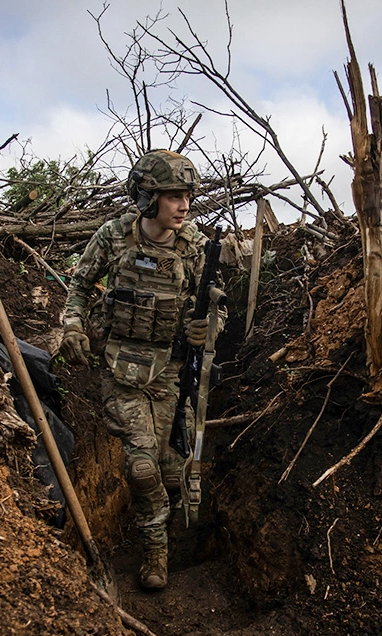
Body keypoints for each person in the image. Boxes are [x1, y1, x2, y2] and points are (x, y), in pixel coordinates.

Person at [59, 149, 218, 590]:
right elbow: (79, 284)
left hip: (169, 368)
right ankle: (155, 551)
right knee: (142, 467)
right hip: (121, 366)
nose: (184, 205)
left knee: (169, 466)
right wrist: (72, 327)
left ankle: (169, 530)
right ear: (148, 197)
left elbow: (212, 307)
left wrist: (206, 329)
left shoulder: (198, 247)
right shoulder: (114, 237)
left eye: (187, 195)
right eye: (172, 196)